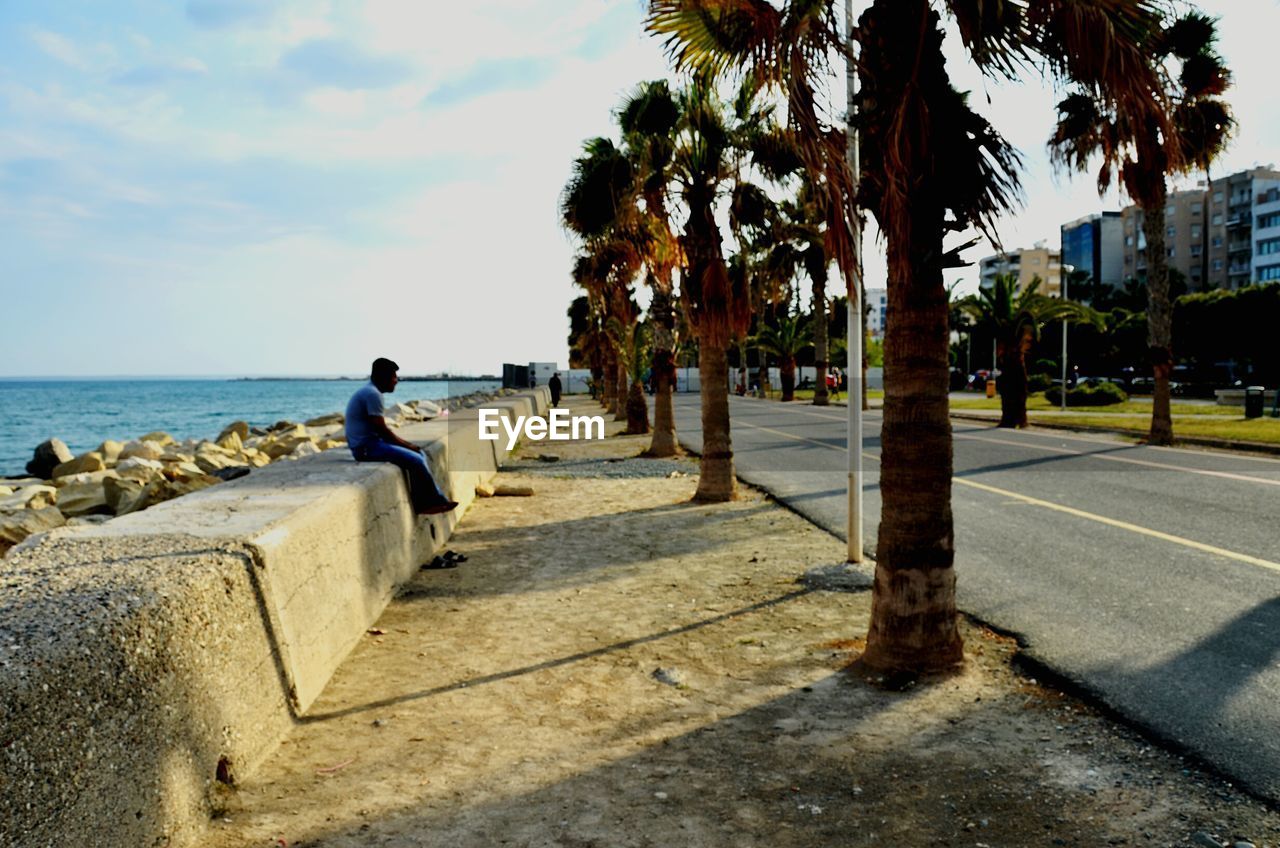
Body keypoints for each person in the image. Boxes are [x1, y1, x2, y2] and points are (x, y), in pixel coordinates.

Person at [346, 358, 457, 516]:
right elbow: (382, 429)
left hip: (369, 444)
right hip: (365, 448)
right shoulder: (372, 394)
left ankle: (429, 501)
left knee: (419, 454)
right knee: (416, 458)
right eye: (394, 377)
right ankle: (432, 502)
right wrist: (408, 445)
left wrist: (408, 446)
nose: (396, 381)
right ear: (383, 376)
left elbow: (380, 431)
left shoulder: (370, 391)